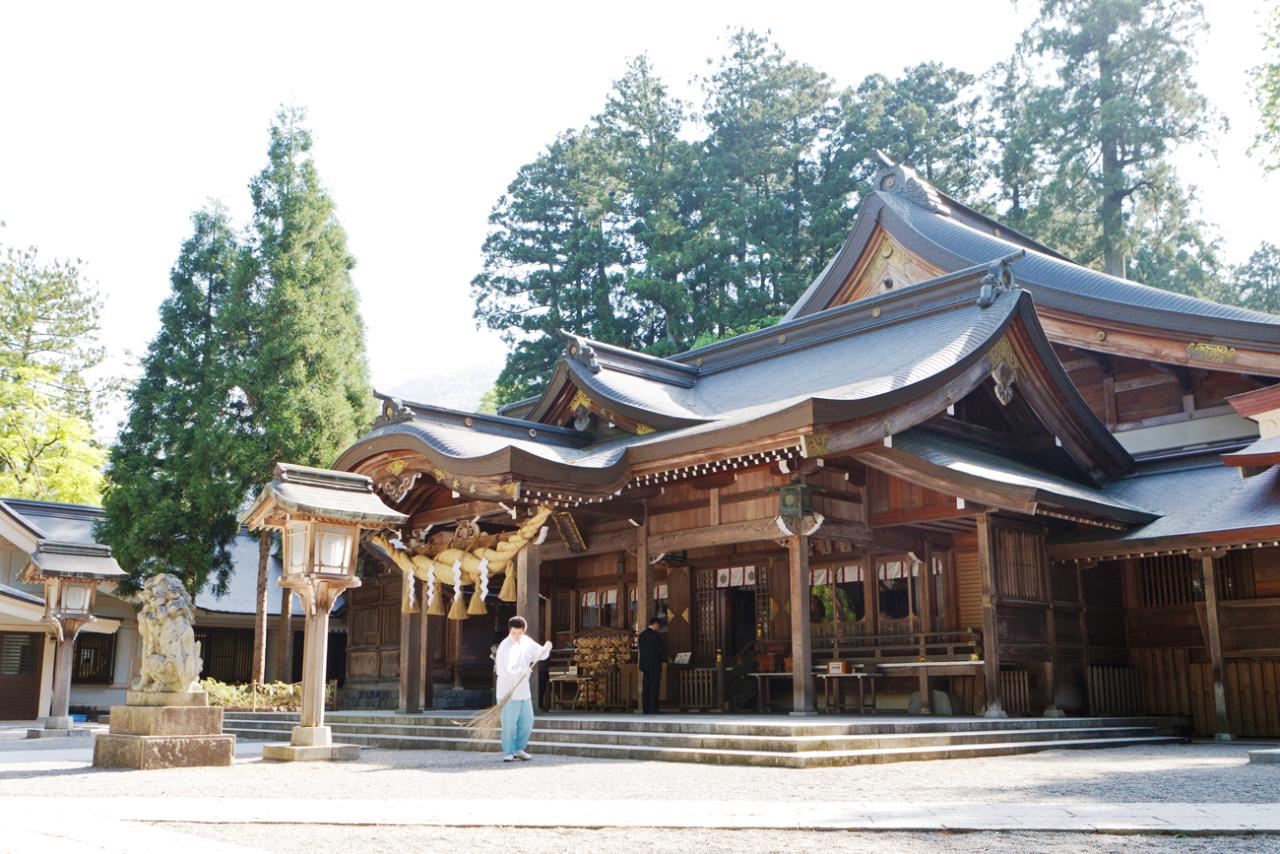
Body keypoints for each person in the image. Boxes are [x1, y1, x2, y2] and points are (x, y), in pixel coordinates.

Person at [494, 615, 552, 762]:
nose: (517, 636)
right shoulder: (504, 645)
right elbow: (502, 669)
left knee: (527, 720)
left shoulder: (526, 642)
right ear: (509, 630)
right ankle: (509, 751)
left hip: (523, 690)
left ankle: (519, 748)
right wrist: (520, 672)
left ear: (524, 631)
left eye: (519, 633)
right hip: (508, 689)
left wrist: (545, 649)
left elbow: (539, 654)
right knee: (509, 723)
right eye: (514, 633)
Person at [637, 615, 665, 714]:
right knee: (654, 686)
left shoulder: (642, 635)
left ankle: (646, 708)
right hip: (655, 664)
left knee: (646, 686)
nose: (659, 628)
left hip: (645, 664)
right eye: (659, 626)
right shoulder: (655, 635)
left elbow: (641, 649)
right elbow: (660, 649)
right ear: (656, 624)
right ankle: (654, 708)